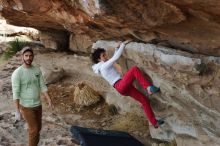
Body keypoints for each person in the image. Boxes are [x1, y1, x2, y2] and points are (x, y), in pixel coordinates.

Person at [91, 40, 164, 128]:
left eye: (105, 54)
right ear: (99, 59)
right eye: (103, 55)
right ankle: (148, 87)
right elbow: (115, 58)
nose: (106, 56)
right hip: (120, 85)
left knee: (144, 101)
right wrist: (123, 45)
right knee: (134, 70)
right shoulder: (103, 67)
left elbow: (113, 57)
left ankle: (154, 123)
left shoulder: (102, 66)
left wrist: (116, 48)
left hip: (122, 88)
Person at [11, 46, 53, 146]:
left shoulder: (37, 70)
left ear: (33, 57)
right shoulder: (17, 73)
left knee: (38, 128)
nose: (28, 58)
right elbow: (15, 93)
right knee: (33, 129)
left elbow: (42, 85)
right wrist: (17, 111)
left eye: (30, 56)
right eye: (26, 56)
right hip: (26, 106)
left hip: (38, 104)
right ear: (22, 57)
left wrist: (49, 99)